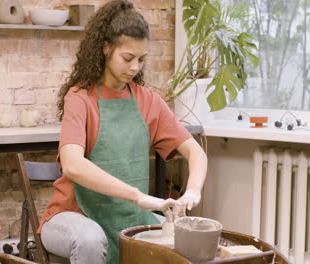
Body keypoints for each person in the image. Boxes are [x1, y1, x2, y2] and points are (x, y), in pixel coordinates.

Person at [38, 1, 208, 264]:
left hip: (130, 216)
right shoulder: (80, 97)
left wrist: (193, 191)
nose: (135, 67)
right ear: (106, 48)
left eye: (141, 59)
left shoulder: (148, 101)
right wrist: (138, 196)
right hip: (73, 216)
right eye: (127, 58)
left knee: (185, 238)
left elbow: (195, 151)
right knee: (91, 240)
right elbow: (72, 165)